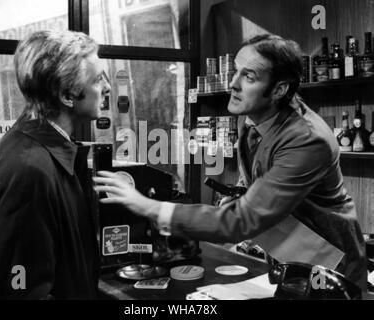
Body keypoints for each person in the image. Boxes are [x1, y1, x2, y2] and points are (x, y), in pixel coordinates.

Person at [95, 34, 367, 290]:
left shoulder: (307, 139)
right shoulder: (253, 118)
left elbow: (243, 220)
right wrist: (242, 195)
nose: (233, 84)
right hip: (288, 259)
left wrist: (148, 206)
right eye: (235, 71)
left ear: (279, 89)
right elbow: (260, 182)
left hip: (329, 270)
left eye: (248, 76)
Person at [0, 30, 111, 299]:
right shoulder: (28, 170)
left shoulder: (47, 150)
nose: (107, 88)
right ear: (67, 95)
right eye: (97, 80)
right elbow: (20, 289)